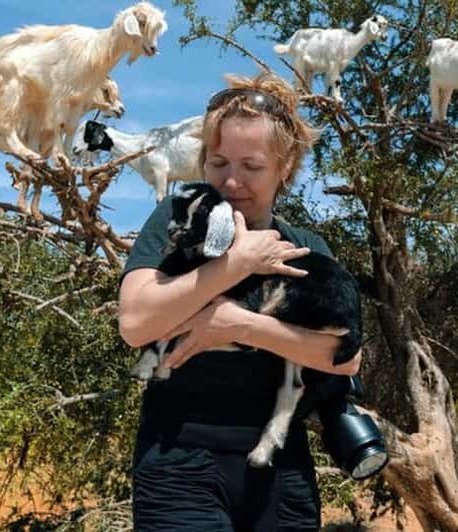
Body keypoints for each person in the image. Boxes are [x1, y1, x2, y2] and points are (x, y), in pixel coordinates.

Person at [118, 72, 361, 532]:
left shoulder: (303, 245)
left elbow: (345, 358)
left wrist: (235, 325)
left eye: (251, 167)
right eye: (217, 163)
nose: (231, 182)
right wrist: (237, 263)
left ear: (284, 166)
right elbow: (134, 322)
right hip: (177, 461)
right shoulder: (176, 218)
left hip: (280, 467)